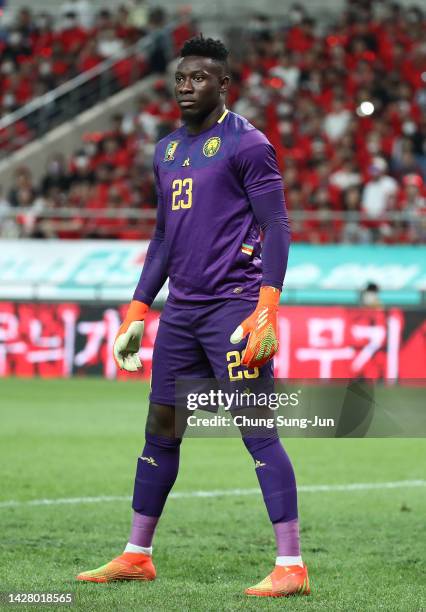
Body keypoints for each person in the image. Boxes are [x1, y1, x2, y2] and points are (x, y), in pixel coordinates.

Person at [76, 36, 309, 598]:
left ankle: (292, 565)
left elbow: (277, 226)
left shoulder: (248, 145)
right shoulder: (167, 151)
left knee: (258, 433)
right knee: (162, 427)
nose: (187, 86)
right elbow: (162, 238)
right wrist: (137, 310)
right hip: (180, 312)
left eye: (200, 78)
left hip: (233, 309)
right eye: (181, 78)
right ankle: (137, 554)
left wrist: (266, 308)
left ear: (223, 84)